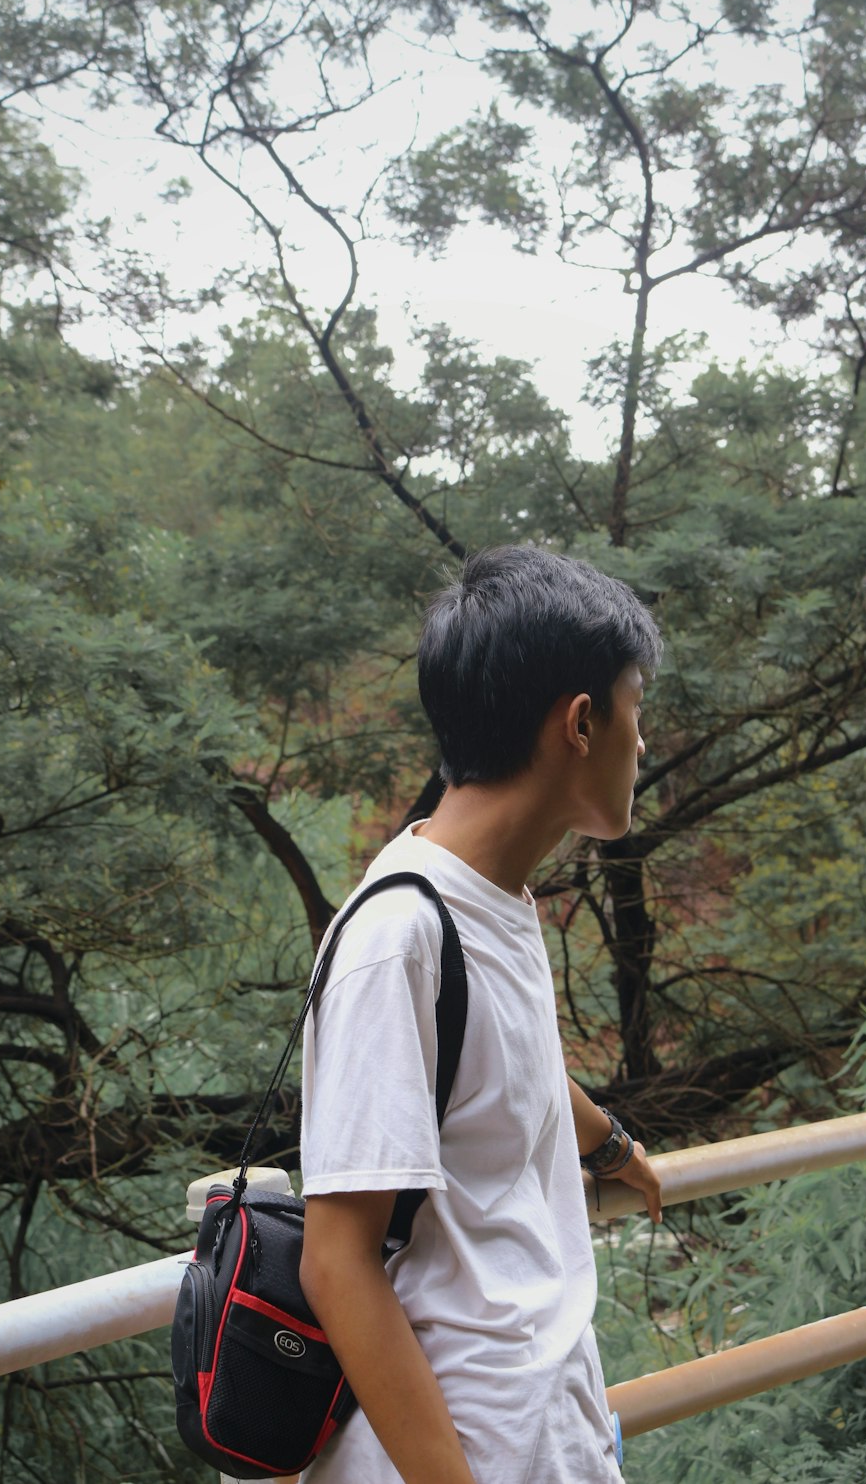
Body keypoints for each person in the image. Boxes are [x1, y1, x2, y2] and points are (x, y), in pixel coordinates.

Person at [299, 545, 664, 1484]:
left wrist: (609, 1145)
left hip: (550, 1421)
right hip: (470, 1444)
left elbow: (500, 1058)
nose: (644, 739)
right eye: (636, 706)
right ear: (581, 723)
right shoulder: (400, 937)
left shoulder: (494, 896)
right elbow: (337, 1264)